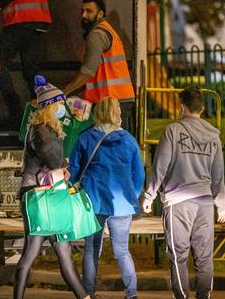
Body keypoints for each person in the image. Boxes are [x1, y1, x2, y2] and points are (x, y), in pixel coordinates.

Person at [142, 86, 225, 299]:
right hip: (205, 203)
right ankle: (203, 296)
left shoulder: (173, 131)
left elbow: (160, 166)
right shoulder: (214, 137)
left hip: (178, 201)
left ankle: (181, 296)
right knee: (204, 256)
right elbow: (218, 175)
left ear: (182, 107)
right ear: (202, 109)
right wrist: (221, 204)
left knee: (178, 254)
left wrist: (149, 196)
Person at [14, 75, 89, 299]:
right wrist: (64, 165)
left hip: (51, 196)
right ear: (50, 107)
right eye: (59, 104)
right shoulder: (40, 131)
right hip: (38, 197)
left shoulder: (50, 130)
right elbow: (53, 158)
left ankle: (84, 297)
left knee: (63, 250)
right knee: (31, 251)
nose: (63, 109)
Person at [68, 97, 145, 299]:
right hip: (122, 205)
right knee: (122, 251)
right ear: (117, 113)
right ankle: (132, 294)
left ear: (98, 113)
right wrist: (132, 195)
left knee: (92, 250)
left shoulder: (86, 138)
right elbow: (139, 175)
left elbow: (74, 171)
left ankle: (89, 293)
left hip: (94, 202)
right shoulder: (129, 140)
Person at [62, 0, 136, 135]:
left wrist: (65, 91)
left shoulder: (96, 35)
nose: (84, 15)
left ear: (100, 14)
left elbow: (88, 71)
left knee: (110, 148)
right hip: (117, 100)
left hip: (111, 103)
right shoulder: (107, 31)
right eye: (82, 11)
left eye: (89, 11)